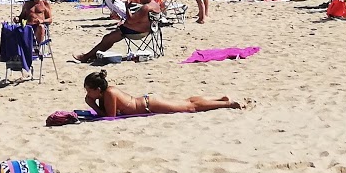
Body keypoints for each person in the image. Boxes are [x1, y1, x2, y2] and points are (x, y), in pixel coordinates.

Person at [83, 70, 241, 116]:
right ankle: (220, 98)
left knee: (190, 107)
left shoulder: (110, 93)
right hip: (148, 102)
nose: (87, 94)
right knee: (187, 101)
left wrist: (92, 105)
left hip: (149, 105)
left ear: (97, 90)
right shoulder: (106, 93)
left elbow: (110, 117)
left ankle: (227, 104)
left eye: (89, 90)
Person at [76, 0, 162, 62]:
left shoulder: (146, 7)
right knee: (111, 36)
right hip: (149, 30)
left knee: (107, 39)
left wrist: (127, 8)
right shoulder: (156, 5)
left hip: (136, 33)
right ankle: (92, 55)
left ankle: (86, 57)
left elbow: (131, 20)